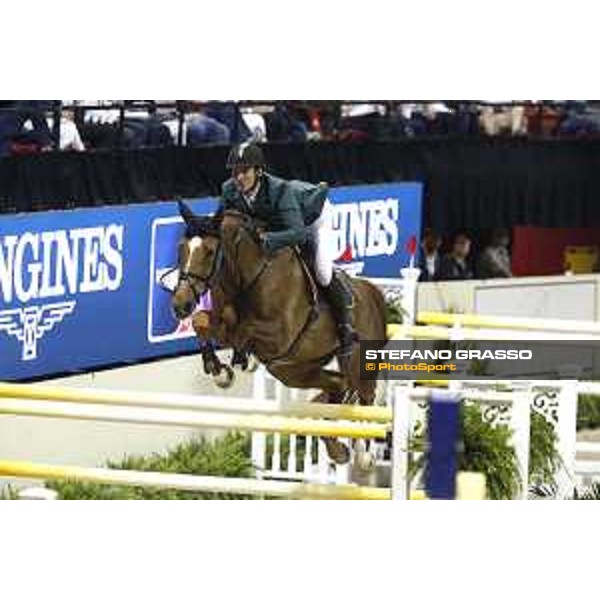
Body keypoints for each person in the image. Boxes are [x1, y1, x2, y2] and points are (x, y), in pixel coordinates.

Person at [215, 142, 354, 373]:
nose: (238, 177)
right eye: (235, 171)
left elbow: (298, 233)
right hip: (277, 224)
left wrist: (268, 240)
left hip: (312, 218)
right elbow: (219, 223)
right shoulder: (229, 190)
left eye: (244, 171)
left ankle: (345, 326)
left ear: (258, 171)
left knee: (322, 271)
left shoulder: (280, 191)